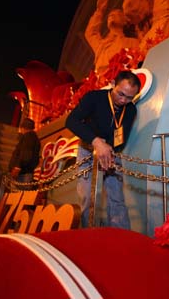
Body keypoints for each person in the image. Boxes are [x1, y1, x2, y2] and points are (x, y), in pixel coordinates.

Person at [65, 71, 141, 229]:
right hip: (87, 150)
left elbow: (121, 139)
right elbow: (71, 121)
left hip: (111, 153)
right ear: (113, 84)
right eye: (121, 94)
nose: (123, 100)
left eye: (129, 97)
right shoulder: (94, 97)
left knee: (117, 197)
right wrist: (96, 141)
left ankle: (120, 238)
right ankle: (89, 237)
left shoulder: (131, 110)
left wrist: (109, 149)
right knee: (88, 197)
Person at [85, 0, 139, 74]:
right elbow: (90, 33)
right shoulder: (101, 46)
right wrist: (100, 10)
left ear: (125, 21)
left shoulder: (132, 43)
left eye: (118, 13)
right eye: (110, 15)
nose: (111, 15)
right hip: (103, 83)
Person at [8, 118, 41, 190]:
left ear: (23, 128)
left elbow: (25, 153)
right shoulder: (33, 138)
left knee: (17, 195)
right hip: (26, 173)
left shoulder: (28, 136)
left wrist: (17, 167)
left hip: (22, 174)